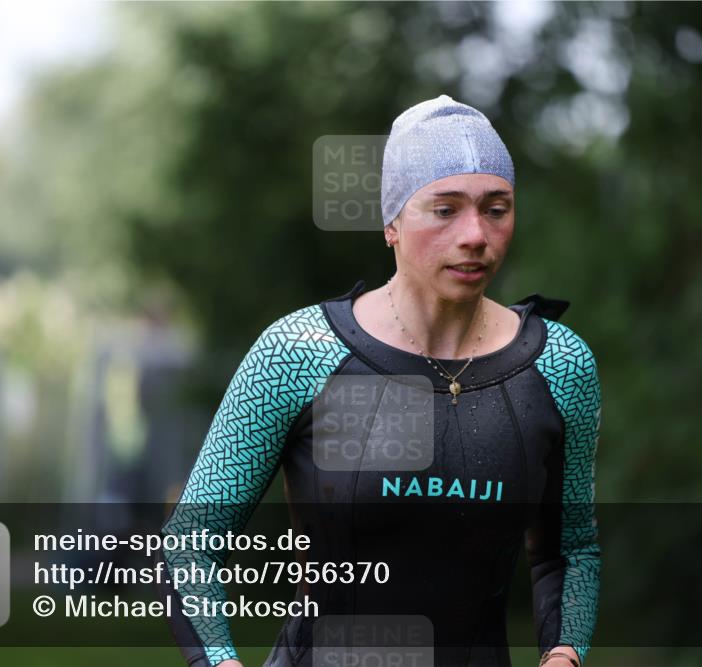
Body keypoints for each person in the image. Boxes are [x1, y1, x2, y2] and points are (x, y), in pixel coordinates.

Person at [157, 94, 601, 667]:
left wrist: (565, 654)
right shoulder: (300, 353)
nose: (475, 234)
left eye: (496, 208)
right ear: (391, 222)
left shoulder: (559, 365)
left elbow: (571, 550)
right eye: (445, 210)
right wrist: (219, 663)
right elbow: (191, 542)